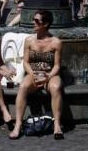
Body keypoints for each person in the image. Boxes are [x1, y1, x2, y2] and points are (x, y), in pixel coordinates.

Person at [9, 10, 64, 139]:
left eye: (37, 21)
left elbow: (57, 65)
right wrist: (33, 75)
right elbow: (26, 62)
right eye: (34, 19)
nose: (33, 22)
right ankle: (18, 125)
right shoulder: (29, 40)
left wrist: (48, 77)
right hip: (33, 73)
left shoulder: (56, 42)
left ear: (45, 24)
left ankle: (57, 124)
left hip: (50, 74)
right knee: (23, 87)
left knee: (56, 87)